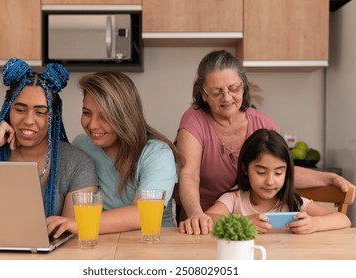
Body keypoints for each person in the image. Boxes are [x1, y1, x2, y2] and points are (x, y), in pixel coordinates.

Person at [175, 49, 355, 235]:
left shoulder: (262, 123)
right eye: (216, 92)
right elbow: (189, 174)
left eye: (234, 88)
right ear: (203, 94)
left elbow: (284, 168)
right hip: (207, 224)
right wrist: (198, 215)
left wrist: (330, 178)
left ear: (243, 86)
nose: (227, 97)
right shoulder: (194, 120)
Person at [0, 58, 98, 237]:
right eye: (20, 109)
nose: (29, 120)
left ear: (53, 117)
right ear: (7, 111)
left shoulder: (78, 165)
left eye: (40, 112)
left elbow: (68, 238)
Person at [48, 71, 181, 237]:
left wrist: (80, 223)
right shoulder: (82, 145)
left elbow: (142, 214)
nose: (93, 125)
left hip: (152, 243)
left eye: (104, 116)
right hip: (100, 244)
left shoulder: (157, 154)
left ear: (124, 116)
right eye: (87, 113)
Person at [180, 129, 351, 234]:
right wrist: (242, 222)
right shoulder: (234, 199)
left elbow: (344, 220)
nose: (270, 181)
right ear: (245, 169)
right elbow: (209, 218)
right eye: (261, 172)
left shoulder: (293, 202)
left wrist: (315, 223)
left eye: (279, 172)